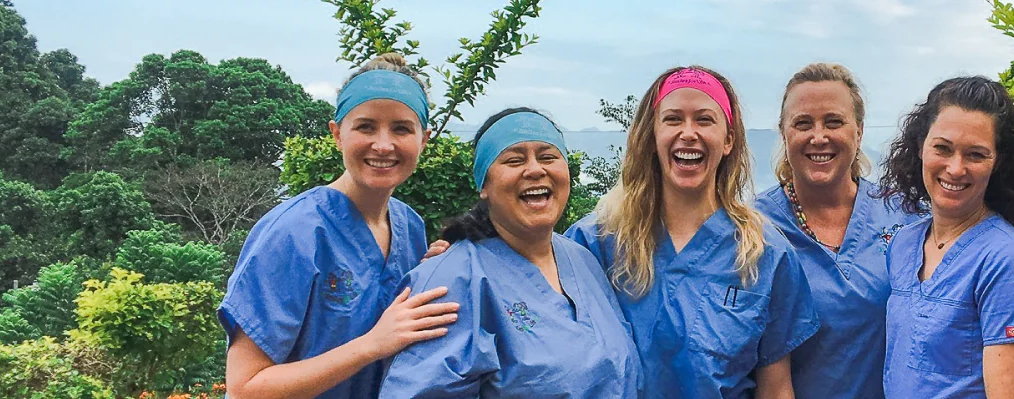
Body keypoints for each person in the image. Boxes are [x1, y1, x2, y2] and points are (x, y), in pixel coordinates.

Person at [565, 65, 820, 398]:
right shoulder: (595, 244)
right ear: (652, 135)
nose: (688, 132)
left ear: (728, 140)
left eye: (704, 120)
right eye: (672, 119)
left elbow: (775, 388)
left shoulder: (764, 255)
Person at [218, 53, 458, 399]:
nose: (383, 144)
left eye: (402, 128)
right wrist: (372, 344)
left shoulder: (410, 226)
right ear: (337, 134)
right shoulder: (295, 232)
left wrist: (435, 273)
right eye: (365, 126)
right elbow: (245, 388)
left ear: (424, 139)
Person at [379, 108, 643, 398]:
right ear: (484, 186)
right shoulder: (451, 281)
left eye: (548, 157)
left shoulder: (582, 259)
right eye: (514, 160)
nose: (534, 170)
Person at [753, 62, 922, 399]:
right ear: (784, 133)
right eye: (803, 124)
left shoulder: (906, 217)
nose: (819, 137)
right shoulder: (753, 228)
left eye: (834, 122)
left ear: (858, 131)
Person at [879, 76, 1014, 398]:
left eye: (975, 154)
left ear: (997, 162)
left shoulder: (1007, 262)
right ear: (920, 147)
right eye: (942, 148)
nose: (956, 168)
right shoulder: (903, 244)